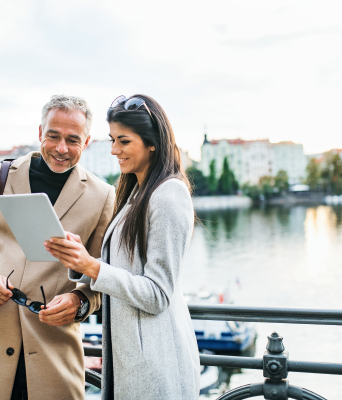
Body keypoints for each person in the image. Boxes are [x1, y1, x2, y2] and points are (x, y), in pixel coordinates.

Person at [0, 95, 115, 400]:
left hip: (53, 354)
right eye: (53, 136)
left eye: (72, 140)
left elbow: (102, 276)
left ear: (86, 142)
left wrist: (79, 302)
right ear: (39, 133)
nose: (61, 148)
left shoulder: (103, 196)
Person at [44, 94, 201, 399]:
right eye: (113, 140)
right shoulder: (136, 193)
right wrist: (82, 261)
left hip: (156, 366)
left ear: (152, 142)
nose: (114, 150)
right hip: (133, 363)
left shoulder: (169, 195)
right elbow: (123, 270)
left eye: (124, 141)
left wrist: (92, 266)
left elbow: (157, 294)